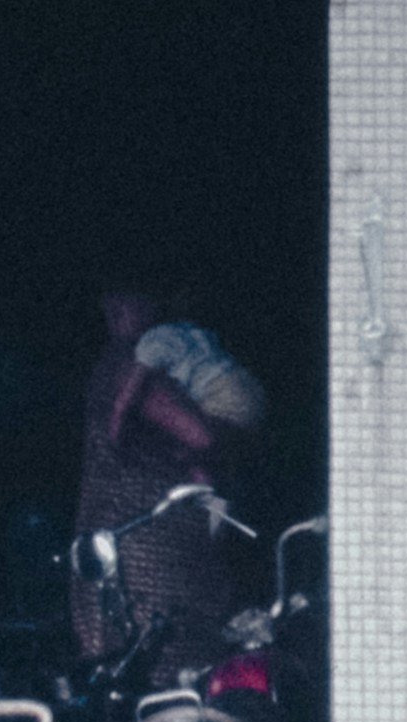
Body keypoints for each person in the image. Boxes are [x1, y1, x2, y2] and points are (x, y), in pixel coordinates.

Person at [72, 283, 267, 672]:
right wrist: (236, 437)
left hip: (119, 549)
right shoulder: (136, 363)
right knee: (170, 680)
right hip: (153, 561)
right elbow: (202, 435)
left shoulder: (112, 363)